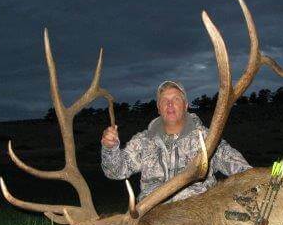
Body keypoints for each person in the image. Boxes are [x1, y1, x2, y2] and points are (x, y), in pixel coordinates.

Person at [101, 80, 251, 202]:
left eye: (175, 99)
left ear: (186, 105)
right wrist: (110, 148)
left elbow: (241, 168)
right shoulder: (143, 141)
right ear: (158, 108)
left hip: (196, 214)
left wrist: (266, 177)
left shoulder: (207, 138)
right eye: (164, 100)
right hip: (153, 215)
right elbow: (116, 172)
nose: (170, 104)